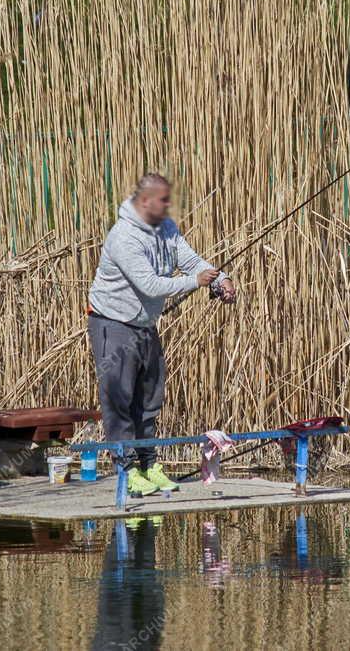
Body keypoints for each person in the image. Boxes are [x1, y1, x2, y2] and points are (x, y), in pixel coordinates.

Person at [87, 173, 237, 496]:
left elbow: (190, 260)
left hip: (143, 323)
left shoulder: (166, 228)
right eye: (163, 200)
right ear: (145, 202)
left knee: (150, 396)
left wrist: (219, 279)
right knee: (119, 399)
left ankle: (148, 464)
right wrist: (195, 282)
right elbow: (151, 285)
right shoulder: (123, 237)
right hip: (112, 322)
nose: (169, 205)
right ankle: (127, 470)